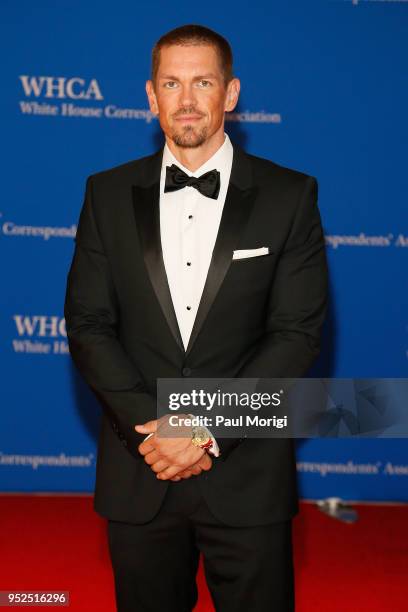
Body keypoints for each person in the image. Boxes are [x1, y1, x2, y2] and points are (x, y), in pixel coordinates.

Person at [64, 23, 328, 612]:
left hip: (247, 474)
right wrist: (159, 433)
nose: (186, 100)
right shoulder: (105, 194)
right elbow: (88, 325)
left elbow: (296, 333)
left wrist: (202, 428)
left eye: (202, 82)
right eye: (171, 83)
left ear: (230, 94)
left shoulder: (291, 196)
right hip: (141, 470)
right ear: (151, 96)